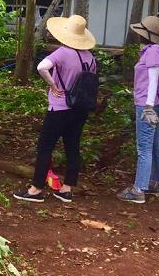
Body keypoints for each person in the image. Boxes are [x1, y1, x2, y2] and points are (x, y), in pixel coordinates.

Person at [13, 15, 96, 203]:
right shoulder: (90, 58)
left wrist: (53, 85)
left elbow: (42, 67)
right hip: (80, 109)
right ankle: (66, 189)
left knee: (45, 147)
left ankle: (36, 189)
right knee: (72, 147)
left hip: (59, 108)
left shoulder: (63, 53)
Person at [117, 16, 159, 204]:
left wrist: (147, 106)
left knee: (144, 148)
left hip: (148, 105)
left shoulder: (153, 52)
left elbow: (153, 80)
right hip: (153, 104)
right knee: (155, 144)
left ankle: (139, 189)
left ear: (147, 35)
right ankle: (158, 183)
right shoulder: (155, 50)